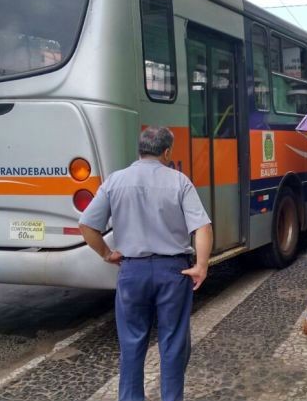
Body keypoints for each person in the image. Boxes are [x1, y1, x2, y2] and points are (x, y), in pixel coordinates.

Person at [79, 126, 213, 401]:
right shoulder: (179, 181)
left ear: (140, 150)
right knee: (174, 343)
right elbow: (202, 227)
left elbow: (87, 225)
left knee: (131, 343)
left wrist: (107, 254)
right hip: (173, 272)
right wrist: (201, 266)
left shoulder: (116, 181)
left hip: (132, 272)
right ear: (167, 152)